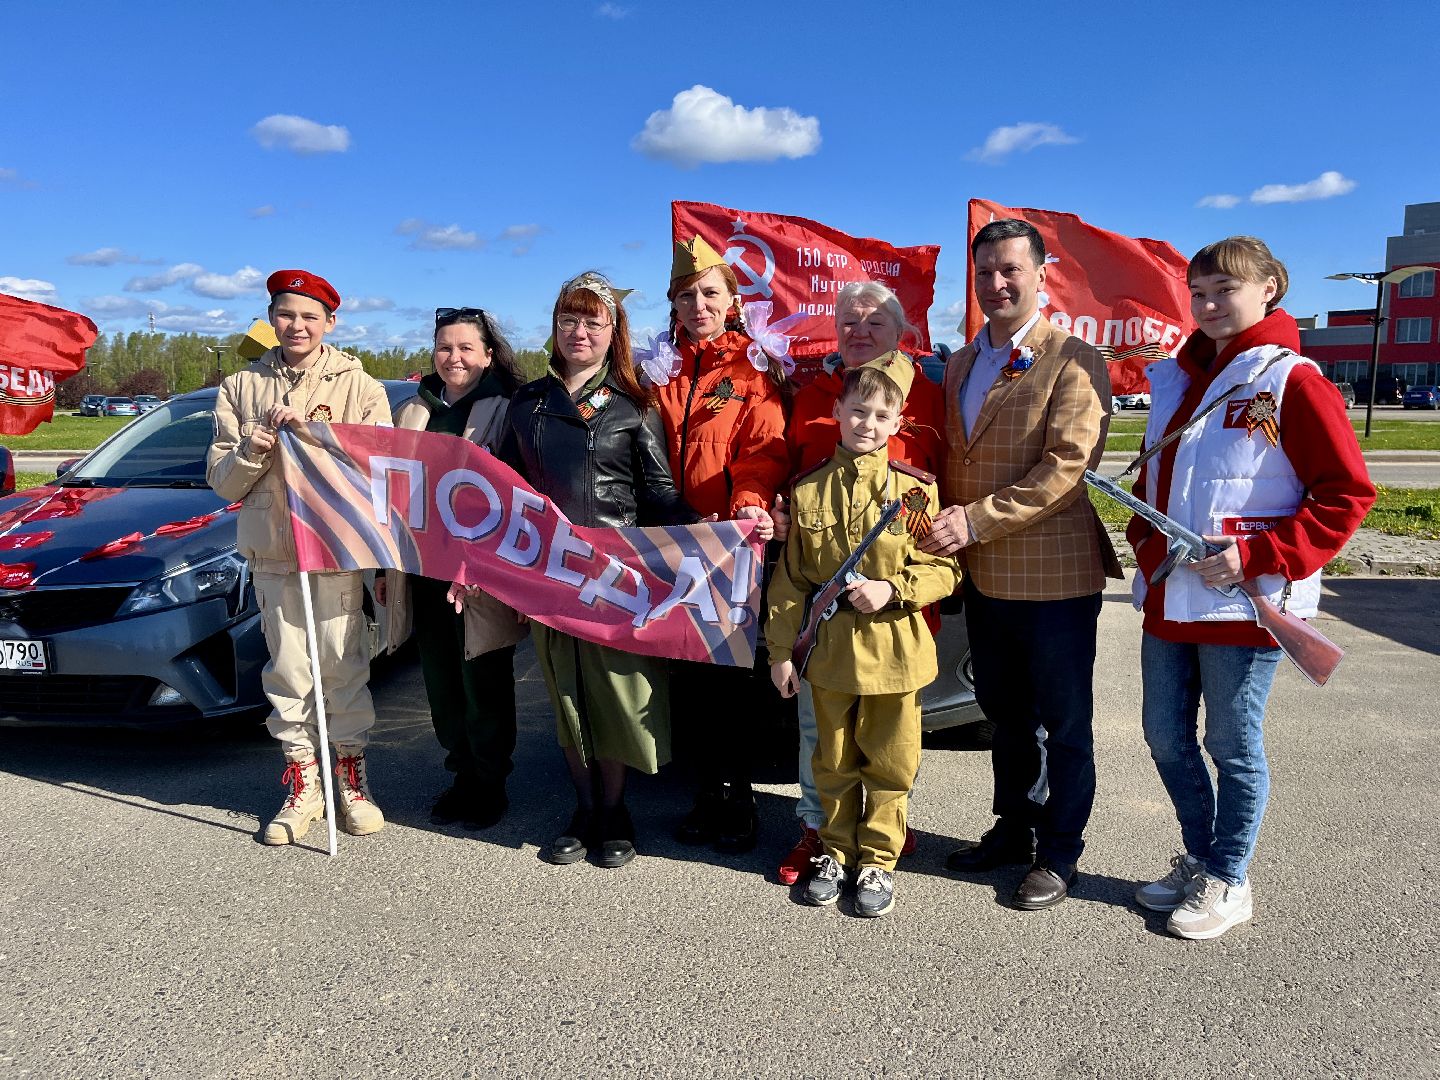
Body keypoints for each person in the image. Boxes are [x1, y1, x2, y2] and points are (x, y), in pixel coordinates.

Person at [1127, 236, 1373, 939]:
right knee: (1166, 738)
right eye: (1197, 292)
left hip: (1247, 605)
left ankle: (1230, 878)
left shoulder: (1293, 379)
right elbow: (1156, 486)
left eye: (1223, 290)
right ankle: (1203, 858)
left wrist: (1258, 556)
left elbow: (1345, 493)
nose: (1206, 304)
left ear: (1269, 287)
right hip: (1173, 598)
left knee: (1232, 747)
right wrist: (1150, 550)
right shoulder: (1176, 379)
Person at [921, 219, 1120, 910]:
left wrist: (973, 520)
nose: (996, 284)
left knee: (1064, 724)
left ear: (1042, 275)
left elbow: (1068, 467)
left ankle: (1060, 853)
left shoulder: (1073, 357)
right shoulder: (961, 362)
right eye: (984, 273)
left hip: (1053, 577)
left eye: (1010, 270)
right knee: (1004, 717)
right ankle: (1013, 827)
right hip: (983, 577)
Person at [503, 271, 697, 868]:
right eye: (569, 320)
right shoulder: (527, 404)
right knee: (566, 696)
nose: (579, 331)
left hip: (616, 580)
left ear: (614, 332)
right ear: (555, 329)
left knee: (614, 695)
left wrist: (724, 532)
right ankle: (582, 809)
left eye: (593, 321)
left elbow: (662, 497)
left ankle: (615, 811)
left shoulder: (635, 407)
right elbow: (503, 493)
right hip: (549, 576)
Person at [767, 355, 960, 916]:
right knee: (831, 759)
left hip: (895, 652)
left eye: (881, 415)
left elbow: (945, 569)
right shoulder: (806, 493)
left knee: (891, 762)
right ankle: (833, 851)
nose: (868, 424)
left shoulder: (916, 493)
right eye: (858, 411)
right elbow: (790, 582)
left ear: (898, 421)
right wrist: (782, 654)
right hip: (828, 655)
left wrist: (893, 588)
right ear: (837, 412)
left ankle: (877, 858)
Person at [207, 269, 393, 846]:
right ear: (271, 318)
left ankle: (350, 777)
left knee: (342, 666)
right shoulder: (240, 388)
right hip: (275, 554)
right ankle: (302, 783)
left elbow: (380, 469)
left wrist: (315, 436)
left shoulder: (360, 387)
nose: (297, 326)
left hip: (336, 551)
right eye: (286, 314)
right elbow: (222, 483)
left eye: (310, 316)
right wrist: (253, 446)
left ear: (330, 323)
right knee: (289, 672)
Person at [649, 236, 785, 853]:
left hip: (726, 546)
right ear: (673, 305)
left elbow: (762, 449)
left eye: (709, 292)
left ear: (733, 299)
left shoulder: (752, 367)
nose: (698, 303)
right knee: (687, 674)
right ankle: (706, 789)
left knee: (733, 677)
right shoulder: (655, 368)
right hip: (666, 543)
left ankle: (738, 797)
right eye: (686, 295)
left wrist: (747, 508)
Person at [381, 307, 528, 831]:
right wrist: (386, 565)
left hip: (481, 573)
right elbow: (392, 492)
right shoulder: (414, 411)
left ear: (488, 354)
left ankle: (490, 783)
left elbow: (515, 496)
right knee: (441, 682)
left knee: (483, 680)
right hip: (424, 569)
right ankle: (461, 772)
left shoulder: (507, 410)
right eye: (446, 347)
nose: (455, 358)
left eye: (467, 348)